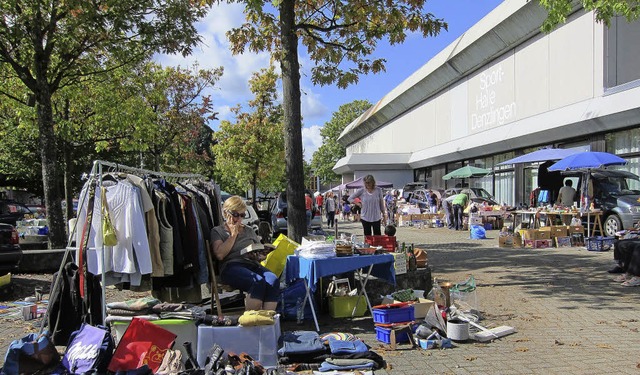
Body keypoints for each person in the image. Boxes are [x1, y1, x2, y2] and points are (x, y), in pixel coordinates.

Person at [210, 196, 279, 310]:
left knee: (273, 280)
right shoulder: (218, 231)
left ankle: (267, 319)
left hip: (252, 264)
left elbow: (258, 249)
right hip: (231, 266)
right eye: (236, 214)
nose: (239, 219)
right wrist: (233, 234)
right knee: (257, 281)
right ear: (225, 213)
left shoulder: (249, 230)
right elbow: (220, 255)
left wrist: (260, 256)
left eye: (242, 215)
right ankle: (251, 320)